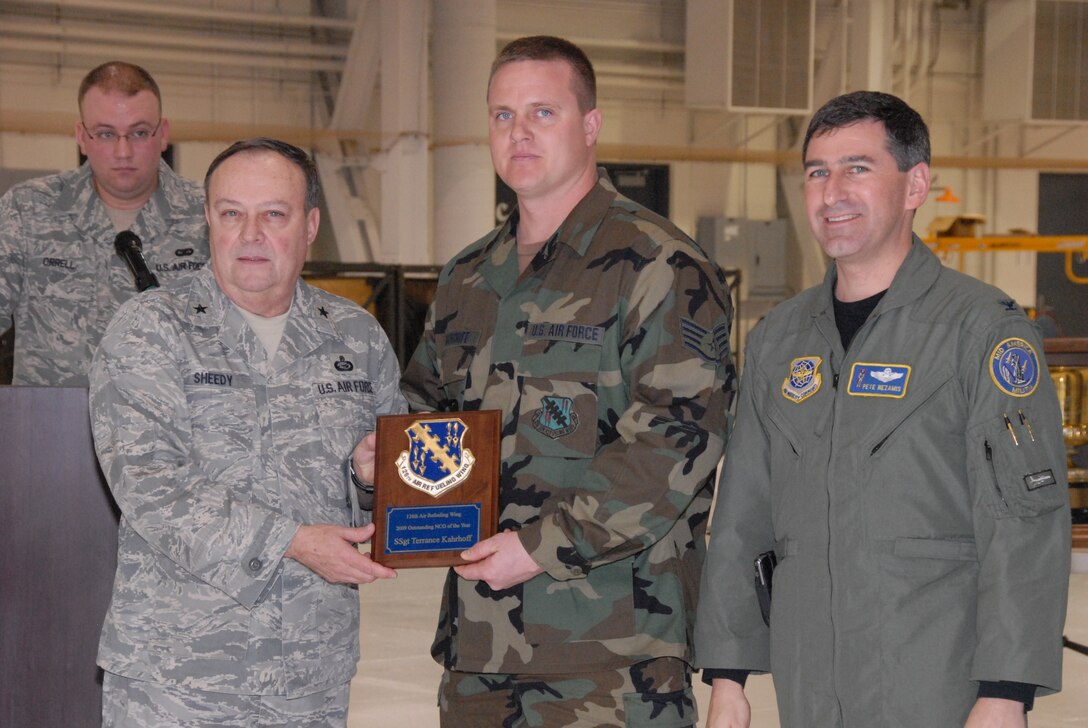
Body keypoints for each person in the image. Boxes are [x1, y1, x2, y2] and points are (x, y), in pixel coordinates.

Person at [694, 91, 1071, 728]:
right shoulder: (780, 340)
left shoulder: (980, 331)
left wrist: (1007, 691)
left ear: (915, 184)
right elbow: (742, 512)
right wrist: (727, 676)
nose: (832, 192)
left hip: (937, 684)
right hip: (809, 683)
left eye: (857, 168)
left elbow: (1024, 522)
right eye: (817, 172)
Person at [397, 35, 736, 727]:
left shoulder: (658, 265)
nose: (518, 133)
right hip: (479, 653)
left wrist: (539, 546)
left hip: (611, 659)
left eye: (542, 113)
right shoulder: (467, 277)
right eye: (501, 115)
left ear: (590, 125)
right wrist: (382, 468)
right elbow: (425, 406)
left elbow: (674, 440)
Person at [89, 138, 404, 726]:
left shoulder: (356, 338)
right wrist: (292, 540)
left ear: (310, 225)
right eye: (232, 212)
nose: (250, 233)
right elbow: (149, 482)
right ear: (208, 218)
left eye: (273, 214)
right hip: (176, 677)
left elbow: (391, 487)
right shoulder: (151, 329)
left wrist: (367, 479)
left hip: (310, 671)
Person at [0, 60, 208, 386]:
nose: (123, 151)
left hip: (171, 430)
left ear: (163, 133)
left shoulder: (209, 215)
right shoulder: (28, 211)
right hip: (50, 427)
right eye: (106, 133)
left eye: (139, 133)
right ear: (82, 137)